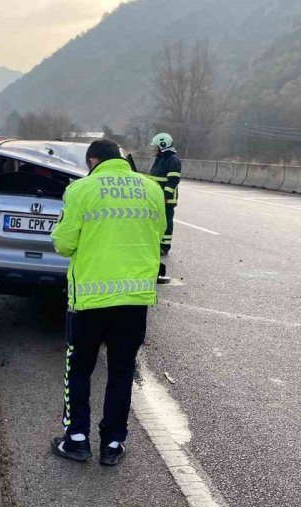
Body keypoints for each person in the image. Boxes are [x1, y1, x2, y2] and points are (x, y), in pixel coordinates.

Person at [50, 139, 166, 466]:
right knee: (121, 371)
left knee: (80, 369)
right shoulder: (151, 188)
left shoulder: (82, 189)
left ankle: (76, 440)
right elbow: (158, 234)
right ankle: (113, 443)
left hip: (90, 300)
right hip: (134, 300)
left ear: (92, 160)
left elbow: (63, 243)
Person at [148, 133, 182, 283]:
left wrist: (165, 196)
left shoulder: (172, 160)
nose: (154, 149)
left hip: (166, 199)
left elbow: (173, 180)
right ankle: (158, 244)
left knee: (167, 221)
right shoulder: (161, 158)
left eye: (156, 146)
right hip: (157, 197)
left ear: (162, 145)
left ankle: (165, 247)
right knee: (157, 222)